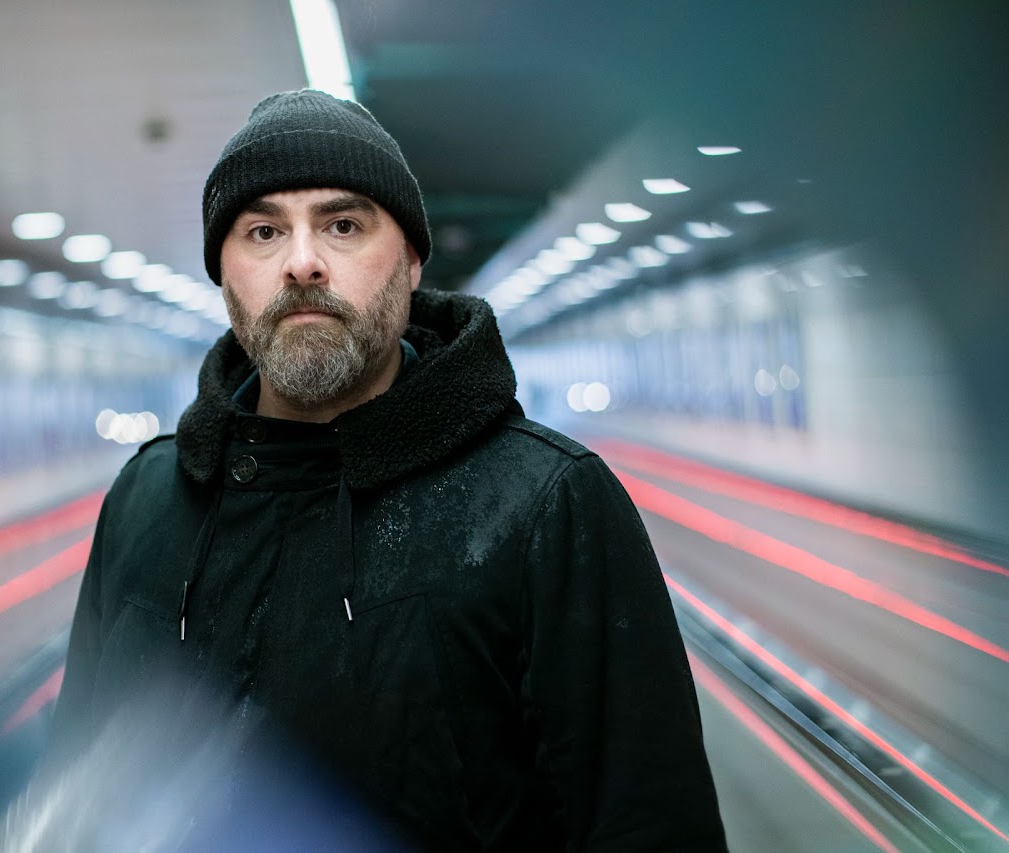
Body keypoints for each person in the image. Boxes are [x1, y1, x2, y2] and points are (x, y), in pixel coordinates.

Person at [45, 88, 726, 850]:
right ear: (224, 273)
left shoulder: (543, 506)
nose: (302, 262)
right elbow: (71, 792)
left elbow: (648, 825)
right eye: (263, 230)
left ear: (409, 258)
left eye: (342, 225)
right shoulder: (147, 498)